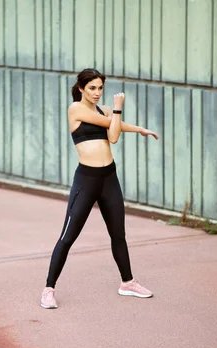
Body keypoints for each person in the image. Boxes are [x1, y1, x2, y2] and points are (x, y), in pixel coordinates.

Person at [41, 68, 159, 309]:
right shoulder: (75, 109)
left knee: (118, 234)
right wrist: (118, 107)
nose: (97, 92)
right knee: (67, 238)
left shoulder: (103, 110)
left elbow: (115, 126)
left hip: (109, 178)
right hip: (87, 180)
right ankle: (48, 290)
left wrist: (139, 130)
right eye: (92, 88)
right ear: (82, 88)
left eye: (100, 88)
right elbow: (113, 131)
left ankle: (128, 283)